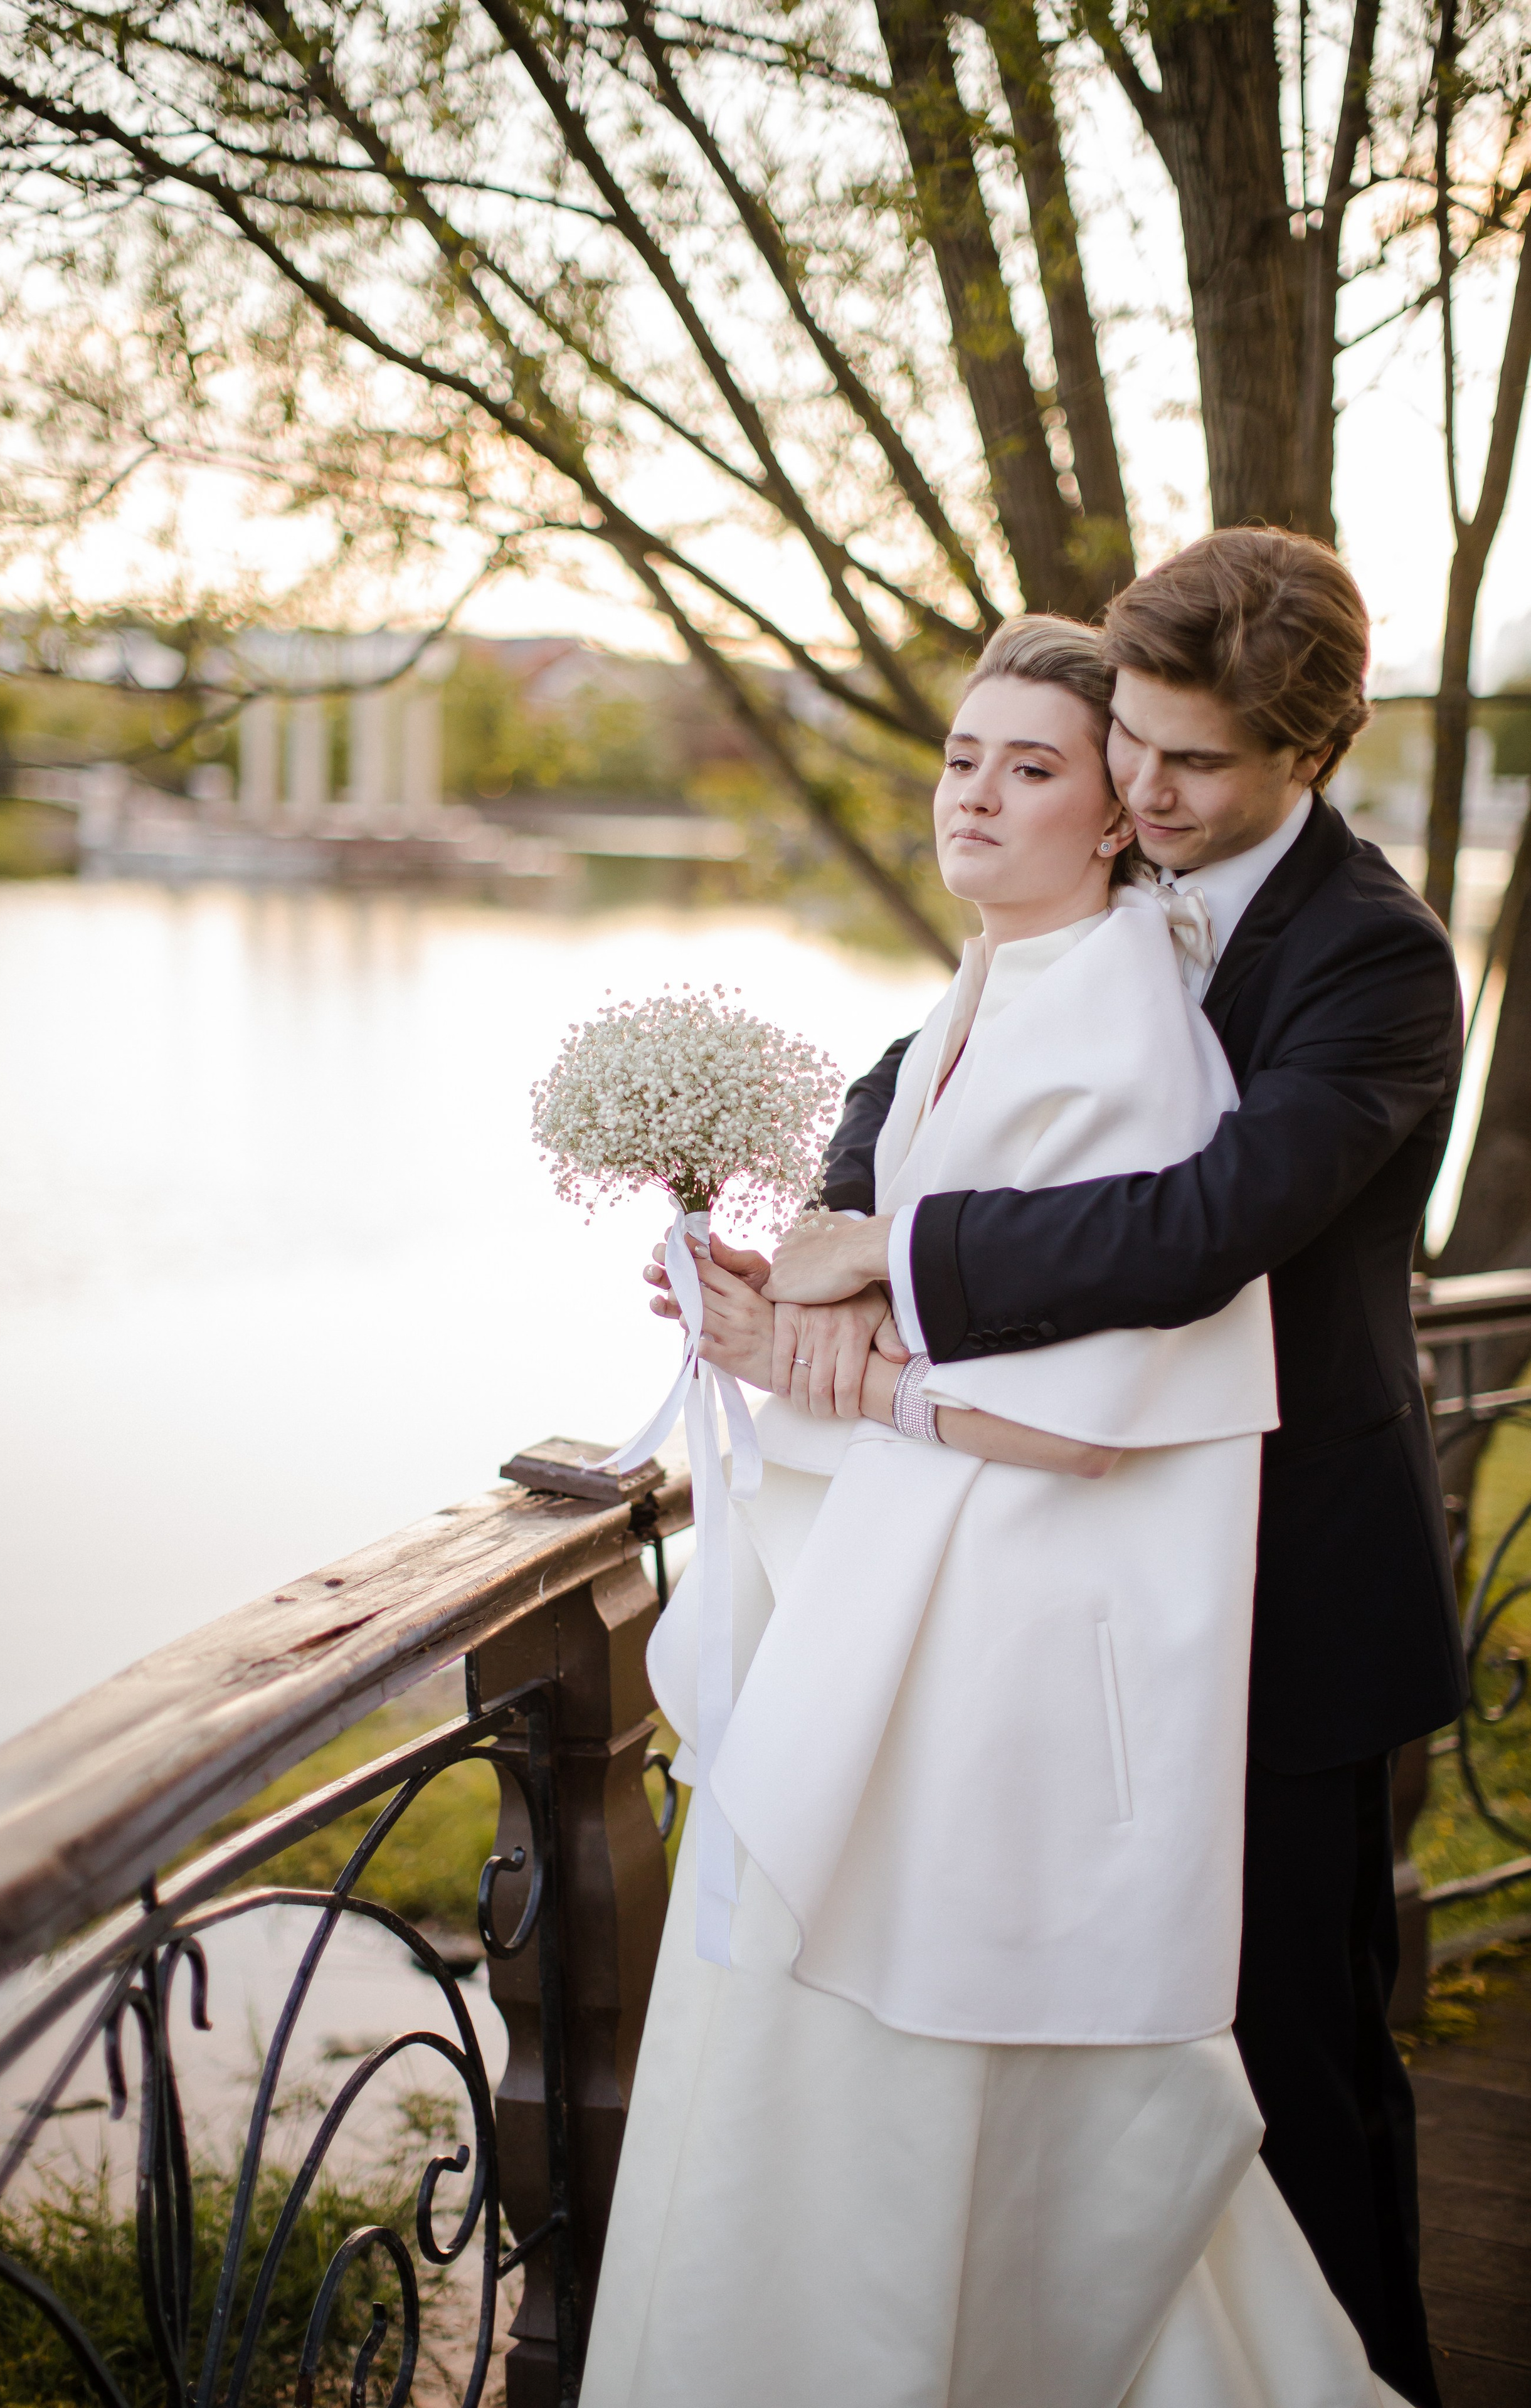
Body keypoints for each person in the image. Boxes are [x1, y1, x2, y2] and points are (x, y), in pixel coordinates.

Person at [586, 610, 1414, 2407]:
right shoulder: (992, 988)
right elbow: (905, 1166)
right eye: (963, 757)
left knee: (1274, 2059)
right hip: (964, 1595)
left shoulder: (1235, 995)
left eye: (1036, 767)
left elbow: (1171, 1279)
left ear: (1126, 810)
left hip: (1121, 1606)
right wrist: (800, 1288)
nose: (974, 793)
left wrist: (850, 1333)